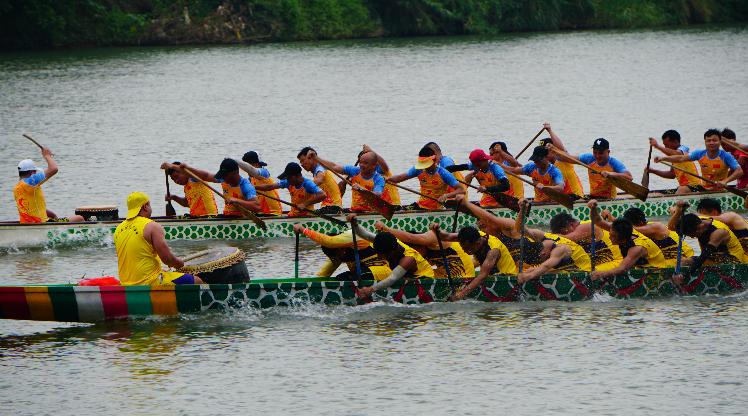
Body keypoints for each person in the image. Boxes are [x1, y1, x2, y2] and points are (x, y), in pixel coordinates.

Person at [113, 192, 203, 285]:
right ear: (145, 206)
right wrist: (179, 263)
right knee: (198, 281)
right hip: (150, 281)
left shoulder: (118, 229)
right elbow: (168, 259)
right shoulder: (152, 226)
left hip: (125, 283)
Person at [349, 216, 435, 298]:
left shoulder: (408, 259)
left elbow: (392, 278)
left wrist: (370, 289)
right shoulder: (387, 241)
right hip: (407, 277)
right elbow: (366, 235)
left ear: (392, 252)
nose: (379, 256)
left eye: (381, 254)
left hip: (425, 281)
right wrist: (355, 225)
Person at [513, 199, 591, 283]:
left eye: (541, 257)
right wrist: (522, 210)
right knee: (534, 270)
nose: (541, 257)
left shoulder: (561, 248)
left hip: (585, 274)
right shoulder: (545, 236)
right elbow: (520, 230)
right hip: (566, 268)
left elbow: (546, 266)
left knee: (538, 272)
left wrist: (527, 277)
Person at [588, 200, 669, 280]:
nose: (609, 238)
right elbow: (597, 221)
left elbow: (622, 268)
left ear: (622, 239)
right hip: (641, 269)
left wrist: (600, 274)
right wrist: (593, 208)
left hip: (658, 273)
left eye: (613, 236)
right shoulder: (619, 229)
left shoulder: (637, 248)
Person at [668, 201, 748, 279]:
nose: (692, 238)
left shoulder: (718, 232)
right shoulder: (697, 221)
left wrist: (686, 276)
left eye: (692, 235)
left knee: (695, 264)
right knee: (683, 262)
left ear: (699, 228)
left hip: (734, 263)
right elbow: (671, 227)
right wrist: (678, 211)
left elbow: (704, 256)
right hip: (713, 259)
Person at [374, 221, 476, 278]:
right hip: (444, 277)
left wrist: (386, 229)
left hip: (462, 278)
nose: (415, 254)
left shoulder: (433, 237)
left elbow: (411, 238)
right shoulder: (425, 252)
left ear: (419, 245)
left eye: (415, 250)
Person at [292, 224, 389, 280]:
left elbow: (329, 242)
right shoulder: (338, 254)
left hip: (383, 271)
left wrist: (304, 230)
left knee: (345, 278)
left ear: (340, 248)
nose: (338, 259)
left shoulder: (352, 237)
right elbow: (323, 275)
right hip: (366, 275)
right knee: (340, 278)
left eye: (337, 256)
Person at [655, 129, 743, 190]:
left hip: (720, 189)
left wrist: (725, 181)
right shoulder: (699, 153)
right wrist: (664, 158)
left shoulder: (726, 156)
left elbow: (739, 171)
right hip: (704, 189)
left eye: (714, 140)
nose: (711, 143)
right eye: (708, 141)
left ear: (720, 142)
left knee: (682, 190)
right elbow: (681, 158)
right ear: (705, 142)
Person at [447, 225, 518, 301]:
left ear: (477, 243)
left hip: (507, 281)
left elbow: (482, 276)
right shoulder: (476, 236)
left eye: (467, 248)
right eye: (463, 248)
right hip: (492, 278)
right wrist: (437, 231)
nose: (465, 251)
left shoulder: (493, 251)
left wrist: (460, 295)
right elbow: (446, 237)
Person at [14, 147, 84, 223]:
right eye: (35, 172)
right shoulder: (32, 180)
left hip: (26, 223)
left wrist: (52, 214)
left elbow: (32, 207)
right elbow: (54, 169)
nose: (36, 173)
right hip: (42, 223)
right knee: (79, 218)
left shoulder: (17, 188)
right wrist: (47, 156)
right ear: (32, 173)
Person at [387, 146, 465, 210]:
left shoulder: (443, 173)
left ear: (434, 160)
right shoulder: (418, 170)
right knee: (401, 210)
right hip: (420, 205)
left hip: (437, 209)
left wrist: (446, 196)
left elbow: (461, 190)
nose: (425, 168)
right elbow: (399, 178)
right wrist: (388, 179)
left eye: (427, 165)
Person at [177, 159, 261, 216]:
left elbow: (257, 207)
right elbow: (205, 176)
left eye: (225, 175)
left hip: (242, 219)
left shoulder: (246, 186)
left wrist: (236, 200)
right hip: (228, 217)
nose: (223, 178)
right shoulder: (223, 179)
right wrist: (187, 168)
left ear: (234, 173)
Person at [314, 151, 390, 213]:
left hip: (370, 212)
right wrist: (316, 158)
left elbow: (377, 195)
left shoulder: (378, 179)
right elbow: (334, 167)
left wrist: (361, 189)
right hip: (355, 210)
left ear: (374, 165)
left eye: (365, 163)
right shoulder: (354, 171)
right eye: (360, 162)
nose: (361, 165)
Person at [619, 207, 695, 267]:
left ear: (640, 223)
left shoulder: (655, 227)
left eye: (629, 224)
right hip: (667, 260)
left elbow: (626, 229)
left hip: (684, 259)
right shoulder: (643, 230)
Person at [549, 212, 622, 271]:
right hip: (603, 262)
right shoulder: (578, 228)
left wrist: (543, 235)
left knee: (580, 272)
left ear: (571, 224)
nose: (563, 235)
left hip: (617, 261)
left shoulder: (586, 226)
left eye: (563, 232)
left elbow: (566, 239)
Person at [562, 138, 632, 199]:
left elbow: (629, 177)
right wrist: (554, 151)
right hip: (593, 197)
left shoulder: (613, 163)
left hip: (609, 199)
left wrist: (610, 174)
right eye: (595, 152)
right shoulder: (589, 158)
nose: (597, 156)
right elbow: (568, 158)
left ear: (608, 152)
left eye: (601, 153)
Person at [254, 162, 326, 217]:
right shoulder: (288, 182)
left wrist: (305, 204)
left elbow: (322, 195)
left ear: (296, 176)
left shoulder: (308, 184)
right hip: (293, 215)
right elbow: (269, 187)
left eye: (288, 177)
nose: (287, 180)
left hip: (307, 216)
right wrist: (254, 187)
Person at [645, 130, 703, 194]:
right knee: (653, 193)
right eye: (664, 145)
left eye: (666, 145)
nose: (665, 147)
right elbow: (671, 175)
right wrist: (653, 171)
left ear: (675, 141)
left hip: (695, 187)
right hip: (683, 188)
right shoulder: (673, 159)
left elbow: (677, 154)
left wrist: (657, 146)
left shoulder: (684, 149)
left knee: (681, 189)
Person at [541, 122, 585, 197]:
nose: (542, 155)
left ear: (553, 150)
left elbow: (561, 148)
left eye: (544, 152)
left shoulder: (563, 159)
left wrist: (550, 131)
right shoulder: (544, 165)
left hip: (575, 196)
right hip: (561, 199)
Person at [297, 147, 343, 214]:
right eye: (300, 162)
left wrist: (301, 189)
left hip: (332, 207)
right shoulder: (318, 170)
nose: (302, 164)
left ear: (311, 158)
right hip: (330, 207)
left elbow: (319, 180)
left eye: (303, 160)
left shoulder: (320, 169)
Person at [235, 151, 282, 216]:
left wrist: (235, 161)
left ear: (256, 165)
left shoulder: (264, 173)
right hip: (260, 214)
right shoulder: (250, 179)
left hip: (273, 213)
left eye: (247, 166)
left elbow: (253, 171)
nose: (245, 170)